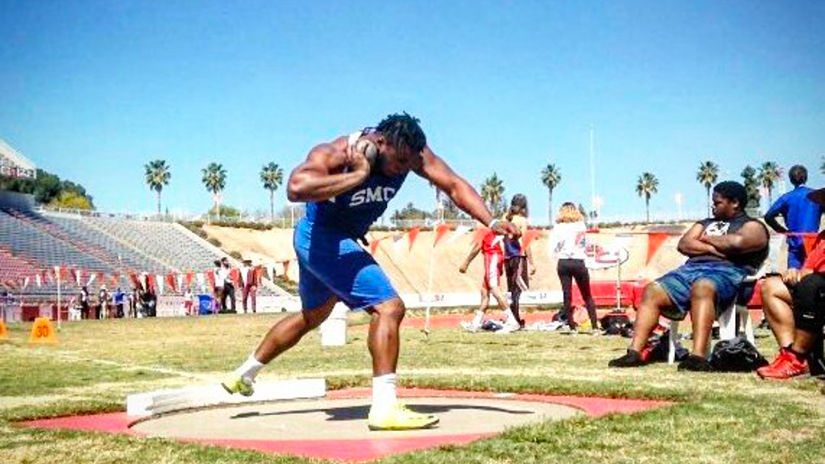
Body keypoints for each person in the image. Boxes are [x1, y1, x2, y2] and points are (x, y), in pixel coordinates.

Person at [221, 113, 519, 430]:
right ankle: (385, 407)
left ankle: (243, 374)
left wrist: (491, 220)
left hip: (330, 240)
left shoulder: (412, 153)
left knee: (313, 316)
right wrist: (359, 174)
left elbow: (454, 185)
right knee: (389, 308)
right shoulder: (340, 152)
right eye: (399, 161)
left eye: (410, 163)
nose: (403, 169)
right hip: (322, 237)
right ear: (381, 142)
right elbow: (295, 188)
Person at [609, 181, 769, 371]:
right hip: (689, 271)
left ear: (734, 202)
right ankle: (634, 353)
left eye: (717, 203)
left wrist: (705, 239)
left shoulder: (753, 226)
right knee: (652, 290)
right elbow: (684, 244)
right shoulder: (704, 223)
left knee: (702, 285)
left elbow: (738, 243)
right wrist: (718, 248)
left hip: (729, 273)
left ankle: (698, 357)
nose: (712, 206)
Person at [758, 187, 825, 379]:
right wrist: (796, 273)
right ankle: (791, 356)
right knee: (771, 286)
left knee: (812, 285)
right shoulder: (822, 238)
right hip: (817, 289)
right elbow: (808, 269)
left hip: (818, 289)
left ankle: (797, 356)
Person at [548, 202, 599, 334]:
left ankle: (572, 327)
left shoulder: (558, 227)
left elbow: (554, 247)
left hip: (563, 262)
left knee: (567, 295)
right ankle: (594, 327)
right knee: (587, 295)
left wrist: (559, 252)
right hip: (578, 261)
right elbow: (584, 244)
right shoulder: (581, 226)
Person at [458, 229, 517, 333]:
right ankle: (475, 323)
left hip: (491, 256)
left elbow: (477, 247)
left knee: (494, 289)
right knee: (484, 291)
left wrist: (466, 263)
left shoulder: (483, 229)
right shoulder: (490, 229)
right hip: (493, 257)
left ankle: (512, 321)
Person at [765, 165, 823, 269]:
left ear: (791, 180)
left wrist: (782, 230)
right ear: (806, 178)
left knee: (793, 276)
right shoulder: (817, 196)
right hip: (813, 242)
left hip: (794, 241)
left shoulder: (786, 197)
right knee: (812, 277)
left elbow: (768, 216)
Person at [503, 194, 536, 328]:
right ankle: (515, 318)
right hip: (518, 256)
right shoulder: (522, 220)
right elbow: (525, 242)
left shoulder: (504, 218)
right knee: (518, 289)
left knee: (511, 289)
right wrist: (532, 262)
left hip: (507, 256)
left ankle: (512, 317)